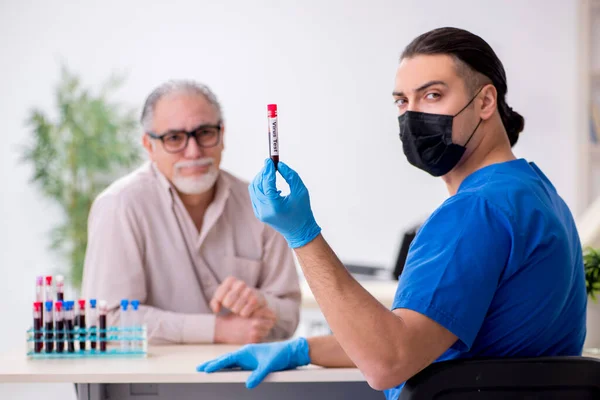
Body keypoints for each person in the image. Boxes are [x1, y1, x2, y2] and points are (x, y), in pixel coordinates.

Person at [196, 27, 588, 399]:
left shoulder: (475, 211)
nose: (412, 116)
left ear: (485, 102)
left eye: (432, 95)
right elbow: (419, 338)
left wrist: (303, 234)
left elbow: (388, 360)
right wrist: (303, 349)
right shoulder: (535, 193)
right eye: (403, 101)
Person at [82, 80, 301, 345]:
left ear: (222, 135)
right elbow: (106, 321)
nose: (194, 152)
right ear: (149, 146)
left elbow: (289, 317)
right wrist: (217, 330)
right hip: (152, 382)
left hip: (245, 381)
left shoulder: (261, 204)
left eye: (205, 133)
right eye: (174, 138)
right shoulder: (119, 206)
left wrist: (261, 303)